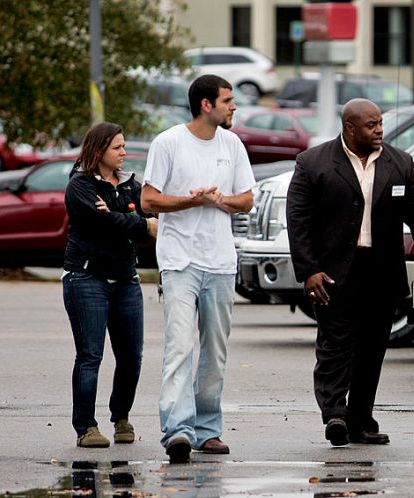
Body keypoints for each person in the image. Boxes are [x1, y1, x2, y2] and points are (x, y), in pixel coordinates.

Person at [286, 98, 414, 446]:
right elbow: (299, 222)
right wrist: (309, 270)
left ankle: (360, 418)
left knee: (372, 348)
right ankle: (335, 413)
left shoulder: (400, 162)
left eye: (380, 123)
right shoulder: (313, 163)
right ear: (349, 128)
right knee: (335, 345)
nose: (379, 130)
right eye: (371, 125)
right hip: (334, 272)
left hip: (382, 271)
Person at [141, 74, 255, 463]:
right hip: (178, 262)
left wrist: (219, 199)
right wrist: (191, 202)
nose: (233, 107)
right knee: (178, 347)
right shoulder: (169, 142)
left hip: (221, 262)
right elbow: (148, 200)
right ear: (206, 105)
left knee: (215, 351)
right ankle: (177, 431)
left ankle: (208, 430)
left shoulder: (233, 144)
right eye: (227, 100)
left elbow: (247, 199)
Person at [62, 122, 158, 448]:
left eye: (123, 146)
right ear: (99, 149)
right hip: (87, 278)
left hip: (126, 279)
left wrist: (122, 218)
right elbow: (99, 224)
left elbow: (142, 232)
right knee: (90, 355)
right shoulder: (80, 185)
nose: (123, 152)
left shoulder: (131, 186)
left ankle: (121, 417)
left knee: (132, 356)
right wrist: (136, 223)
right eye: (117, 147)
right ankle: (86, 427)